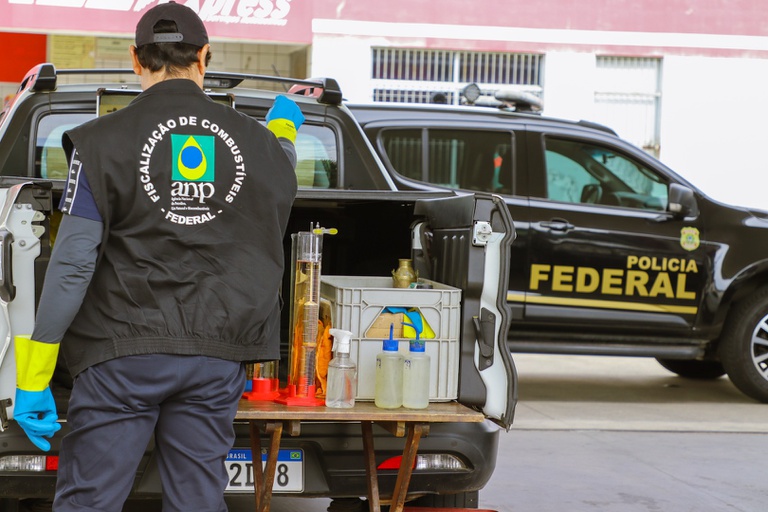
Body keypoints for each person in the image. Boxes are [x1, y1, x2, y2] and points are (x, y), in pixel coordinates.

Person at [12, 2, 304, 510]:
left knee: (90, 502)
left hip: (122, 354)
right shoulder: (260, 144)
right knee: (196, 501)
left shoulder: (101, 143)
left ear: (135, 58)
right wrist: (282, 129)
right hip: (216, 356)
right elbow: (281, 171)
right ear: (204, 56)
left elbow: (75, 260)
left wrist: (35, 375)